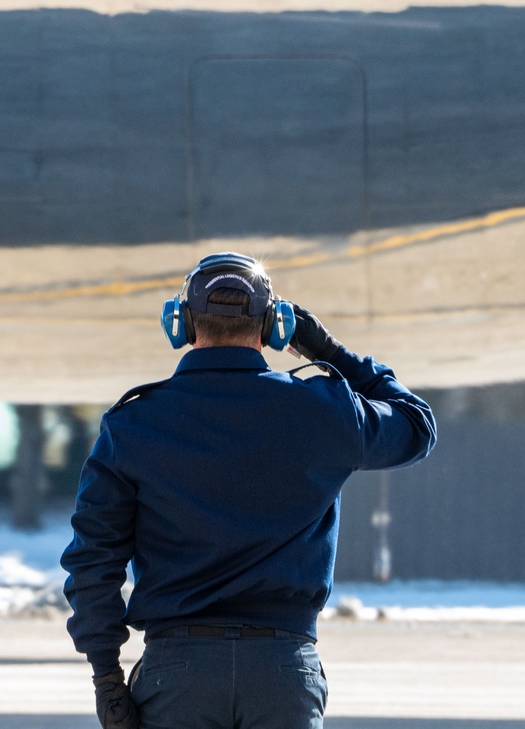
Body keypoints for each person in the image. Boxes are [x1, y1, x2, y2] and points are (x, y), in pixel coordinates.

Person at [61, 252, 436, 729]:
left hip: (176, 673)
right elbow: (417, 427)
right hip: (283, 670)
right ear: (276, 326)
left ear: (180, 324)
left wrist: (107, 679)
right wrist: (331, 354)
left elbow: (93, 560)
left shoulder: (133, 424)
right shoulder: (323, 411)